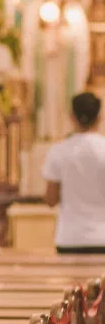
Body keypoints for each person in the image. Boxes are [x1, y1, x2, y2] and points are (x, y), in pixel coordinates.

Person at [43, 92, 105, 254]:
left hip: (69, 237)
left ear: (72, 116)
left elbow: (50, 199)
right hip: (102, 237)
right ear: (99, 117)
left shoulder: (58, 151)